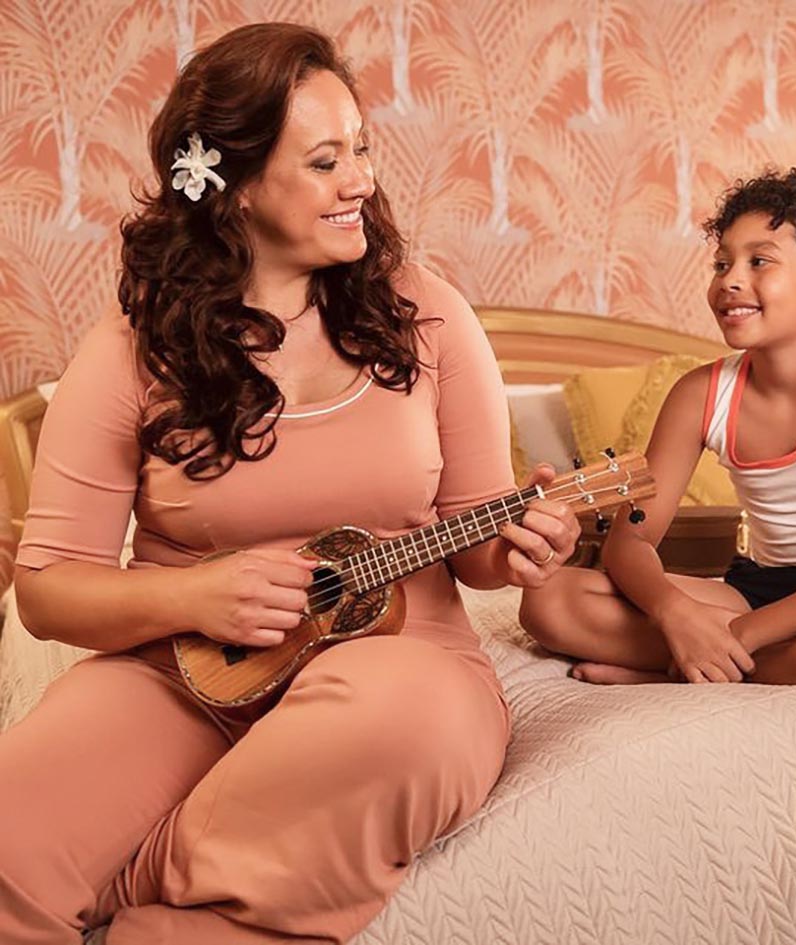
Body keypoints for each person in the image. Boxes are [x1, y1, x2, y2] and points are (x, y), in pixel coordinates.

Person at [0, 22, 579, 945]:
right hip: (181, 673)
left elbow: (475, 546)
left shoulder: (427, 315)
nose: (362, 180)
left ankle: (138, 897)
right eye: (323, 160)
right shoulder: (127, 352)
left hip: (400, 668)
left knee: (405, 722)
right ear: (227, 187)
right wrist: (195, 590)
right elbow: (46, 588)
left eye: (360, 149)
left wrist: (518, 550)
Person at [520, 168, 796, 695]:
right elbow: (631, 542)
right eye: (722, 263)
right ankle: (756, 661)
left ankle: (684, 669)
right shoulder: (701, 392)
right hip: (758, 588)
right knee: (549, 600)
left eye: (759, 261)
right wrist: (675, 614)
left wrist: (735, 637)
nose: (730, 280)